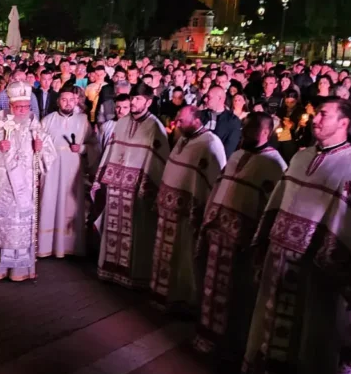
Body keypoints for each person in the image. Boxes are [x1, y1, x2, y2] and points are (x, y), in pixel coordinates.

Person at [242, 99, 351, 374]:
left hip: (314, 269)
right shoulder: (300, 157)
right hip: (278, 260)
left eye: (323, 115)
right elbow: (277, 204)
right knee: (269, 321)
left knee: (309, 333)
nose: (315, 119)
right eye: (316, 114)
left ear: (344, 123)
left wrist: (332, 259)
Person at [194, 112, 286, 359]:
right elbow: (218, 189)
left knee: (238, 295)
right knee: (212, 289)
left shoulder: (275, 165)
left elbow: (274, 209)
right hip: (218, 238)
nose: (243, 133)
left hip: (243, 246)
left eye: (250, 129)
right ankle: (208, 335)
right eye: (244, 128)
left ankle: (233, 345)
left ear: (266, 133)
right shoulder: (236, 155)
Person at [0, 79, 57, 281]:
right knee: (1, 227)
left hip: (25, 187)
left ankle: (21, 271)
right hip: (3, 185)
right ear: (10, 106)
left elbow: (49, 154)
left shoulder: (35, 126)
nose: (22, 110)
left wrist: (40, 149)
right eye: (18, 106)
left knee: (22, 226)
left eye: (26, 106)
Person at [91, 82, 170, 289]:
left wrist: (147, 186)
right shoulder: (122, 122)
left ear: (149, 102)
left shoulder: (155, 127)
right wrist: (101, 178)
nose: (133, 102)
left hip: (138, 191)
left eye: (138, 99)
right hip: (116, 188)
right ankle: (110, 270)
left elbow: (159, 162)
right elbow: (111, 151)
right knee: (113, 226)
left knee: (137, 232)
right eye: (132, 98)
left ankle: (135, 276)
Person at [150, 105, 227, 313]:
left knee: (186, 259)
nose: (177, 122)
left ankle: (187, 301)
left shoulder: (211, 143)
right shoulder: (182, 139)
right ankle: (164, 294)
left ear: (196, 120)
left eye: (181, 120)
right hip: (169, 211)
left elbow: (216, 181)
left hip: (190, 215)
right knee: (169, 256)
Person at [38, 88, 92, 259]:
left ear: (76, 102)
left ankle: (70, 247)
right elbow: (38, 146)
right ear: (58, 101)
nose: (68, 103)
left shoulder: (83, 120)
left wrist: (82, 148)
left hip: (73, 170)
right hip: (51, 170)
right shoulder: (47, 120)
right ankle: (47, 245)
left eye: (71, 100)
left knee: (70, 204)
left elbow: (94, 145)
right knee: (49, 202)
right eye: (64, 100)